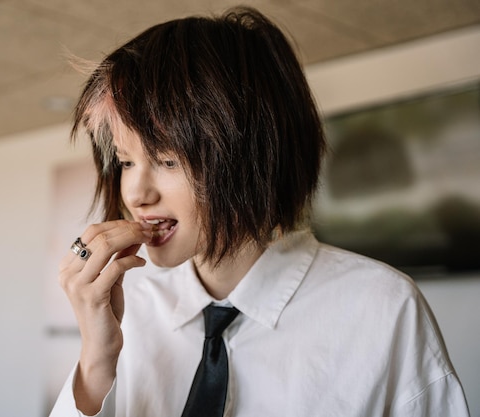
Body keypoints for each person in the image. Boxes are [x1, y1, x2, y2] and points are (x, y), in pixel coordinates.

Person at [50, 6, 469, 417]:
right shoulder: (133, 304)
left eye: (167, 160)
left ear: (247, 153)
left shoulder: (382, 308)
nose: (136, 193)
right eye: (125, 161)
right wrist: (97, 362)